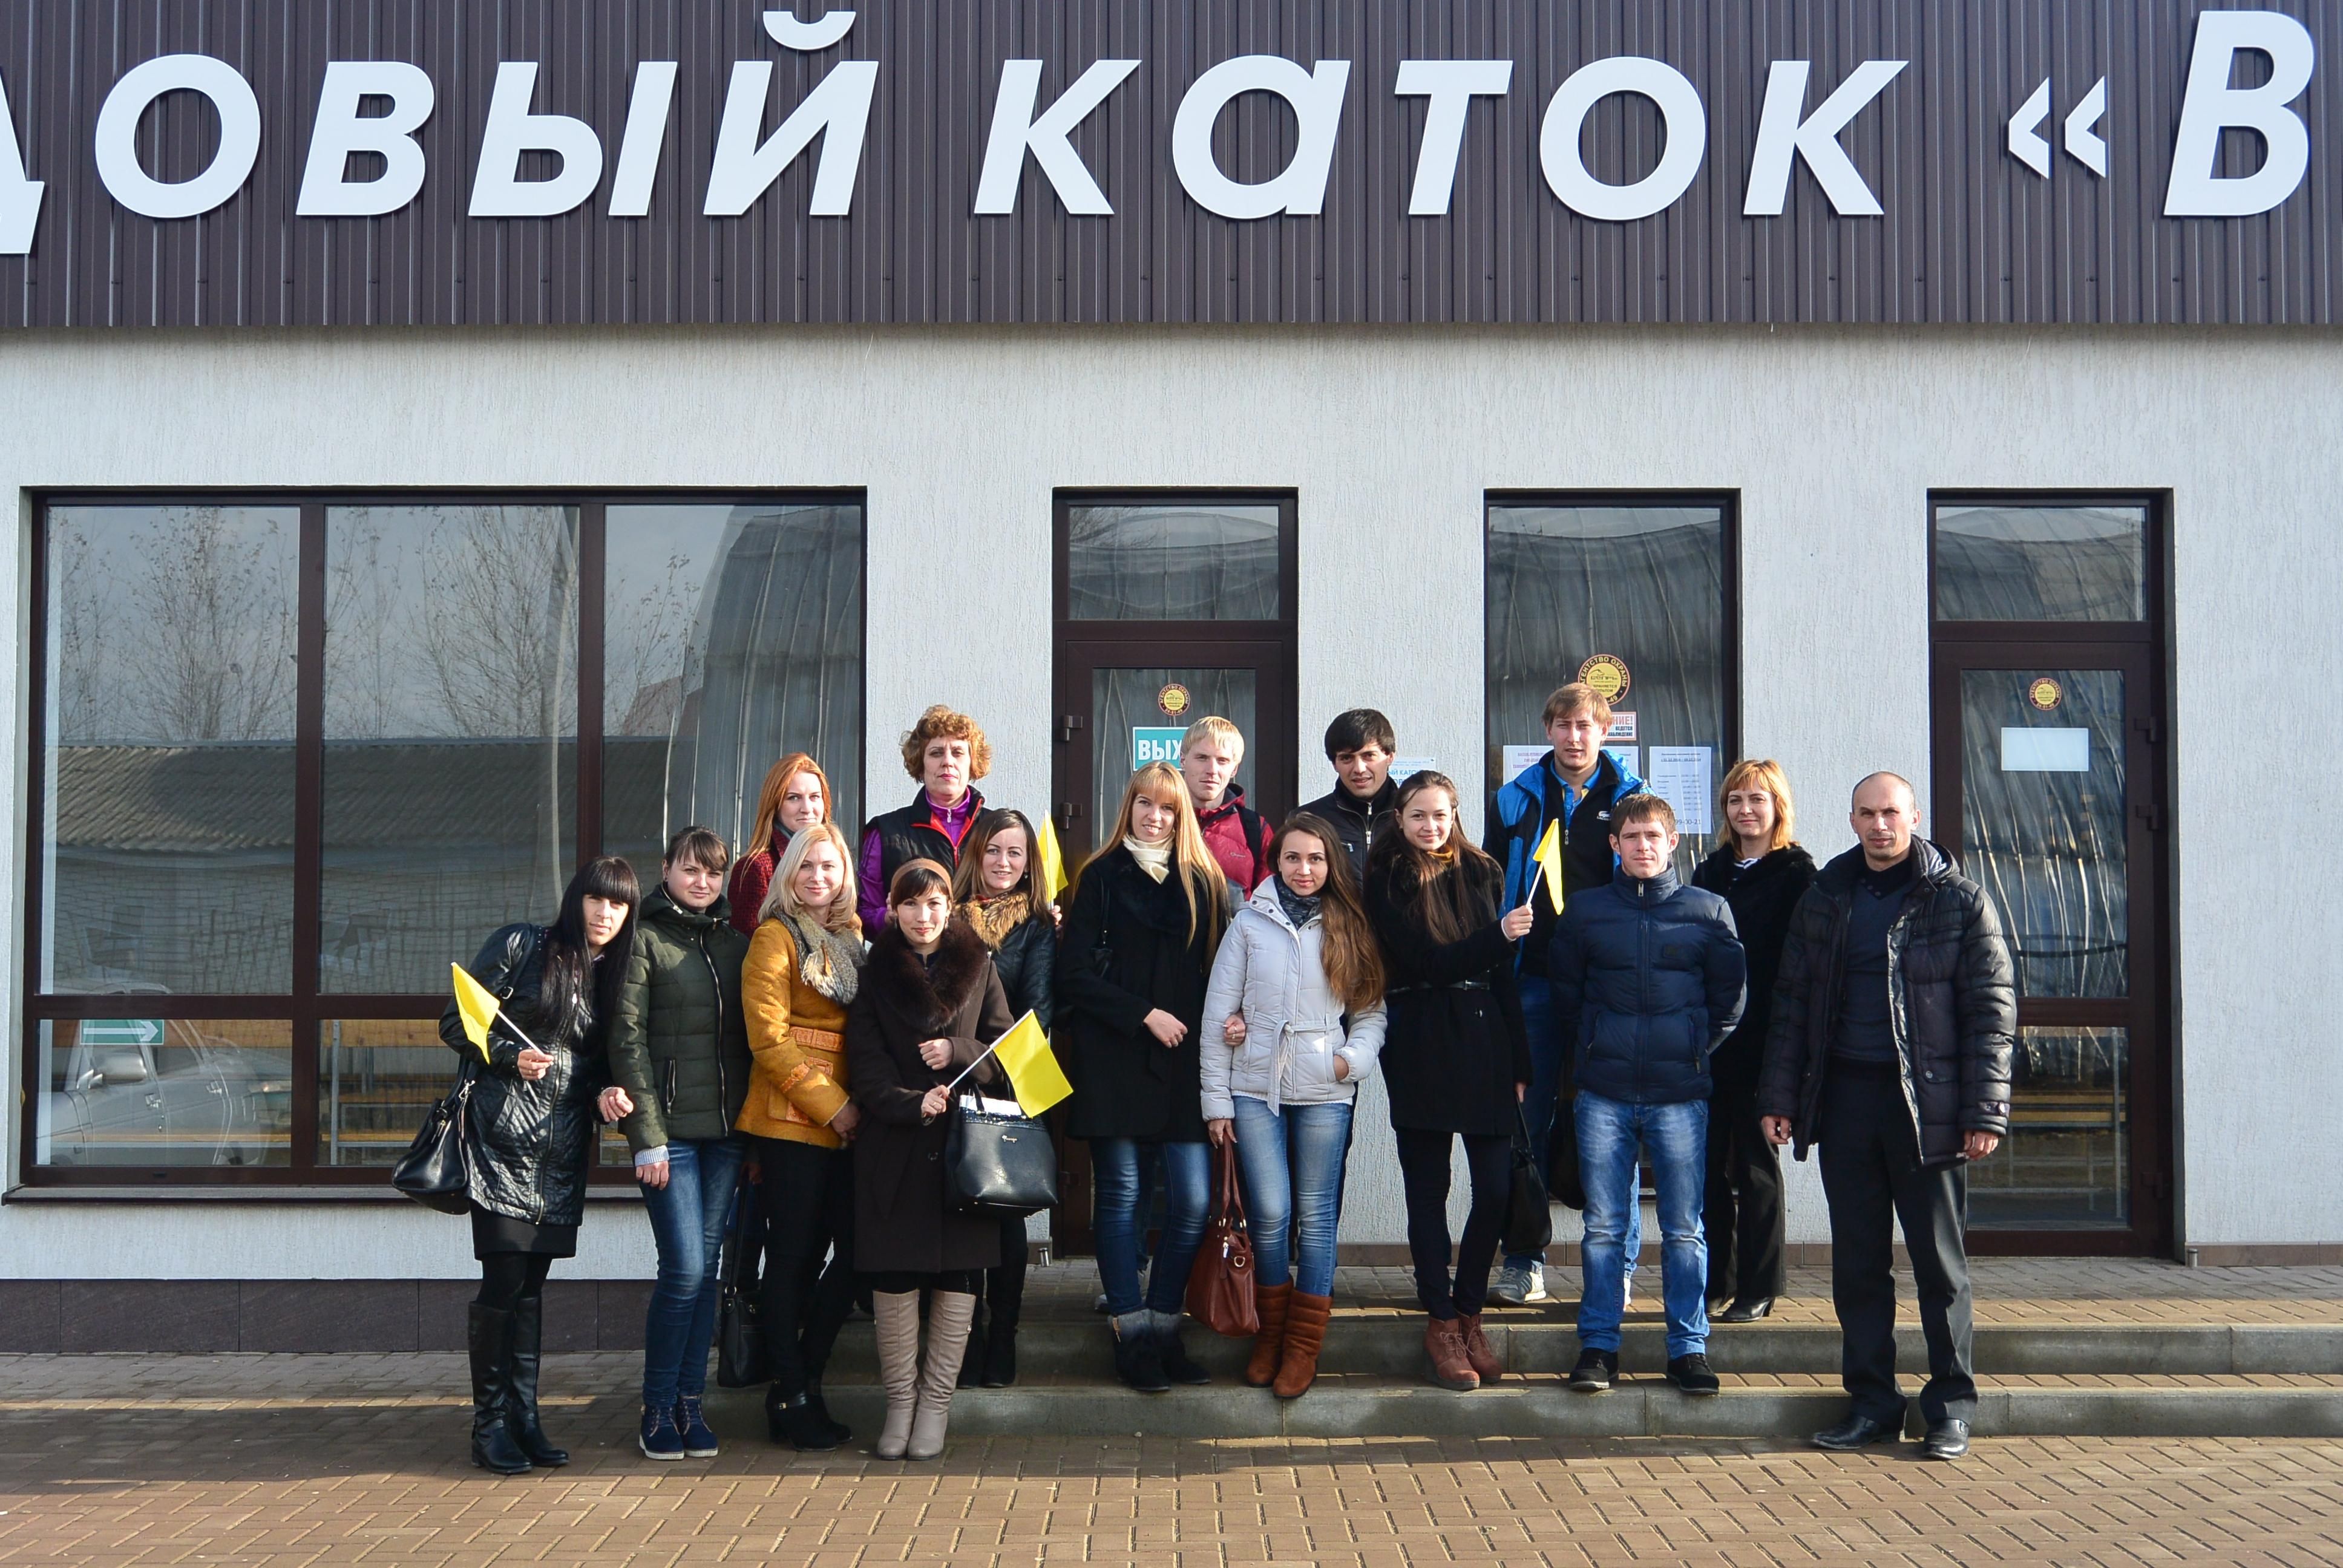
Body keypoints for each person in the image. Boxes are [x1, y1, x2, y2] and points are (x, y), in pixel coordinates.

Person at [1759, 773, 2015, 1462]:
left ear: (1914, 816)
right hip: (1846, 1103)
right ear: (1851, 820)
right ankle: (1872, 1404)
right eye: (1867, 814)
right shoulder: (1825, 897)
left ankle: (1950, 1409)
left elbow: (1991, 1012)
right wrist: (1779, 1099)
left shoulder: (1957, 899)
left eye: (1891, 813)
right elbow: (1791, 1003)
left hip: (1927, 1110)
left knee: (1939, 1266)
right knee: (1858, 1267)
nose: (1880, 825)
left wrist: (1984, 1112)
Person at [440, 856, 641, 1476]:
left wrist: (607, 1091)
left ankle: (524, 1418)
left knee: (531, 1288)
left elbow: (599, 1062)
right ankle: (489, 1426)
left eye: (618, 904)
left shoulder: (617, 974)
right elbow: (456, 1021)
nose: (604, 913)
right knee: (503, 1281)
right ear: (575, 899)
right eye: (595, 899)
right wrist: (508, 1055)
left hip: (561, 1151)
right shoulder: (522, 945)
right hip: (501, 1141)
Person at [1551, 794, 1746, 1397]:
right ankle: (1598, 1347)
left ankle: (1688, 1350)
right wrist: (1592, 1048)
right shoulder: (1585, 912)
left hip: (1678, 1094)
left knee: (1684, 1229)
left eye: (1653, 836)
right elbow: (1565, 994)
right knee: (1604, 1227)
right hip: (1603, 1093)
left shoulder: (1708, 911)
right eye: (1631, 837)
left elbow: (1730, 1001)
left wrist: (1691, 1049)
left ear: (1672, 842)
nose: (1642, 847)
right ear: (1615, 845)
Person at [1057, 761, 1230, 1394]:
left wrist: (1235, 1018)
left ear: (1182, 815)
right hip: (1115, 1059)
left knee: (1192, 1201)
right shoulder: (1100, 876)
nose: (1154, 817)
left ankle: (1163, 1325)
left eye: (1167, 808)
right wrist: (1142, 1015)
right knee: (1122, 1193)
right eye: (1144, 805)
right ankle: (1131, 1333)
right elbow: (1073, 975)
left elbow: (1223, 971)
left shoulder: (1205, 882)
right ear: (1127, 808)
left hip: (1184, 1066)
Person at [1201, 812, 1386, 1399]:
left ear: (1331, 864)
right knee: (1271, 1212)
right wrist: (1216, 1101)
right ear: (1275, 861)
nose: (1303, 870)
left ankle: (1303, 1348)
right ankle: (1271, 1336)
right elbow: (1217, 1014)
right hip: (1255, 1089)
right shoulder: (1248, 922)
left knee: (1317, 1216)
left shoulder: (1350, 922)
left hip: (1325, 1092)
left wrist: (1349, 1063)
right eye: (1292, 858)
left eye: (1315, 859)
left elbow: (1371, 1012)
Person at [1365, 770, 1535, 1393]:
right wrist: (1499, 936)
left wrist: (1521, 1061)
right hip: (1421, 1037)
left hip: (1486, 1038)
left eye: (1441, 815)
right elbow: (1426, 963)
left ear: (1455, 815)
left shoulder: (1482, 870)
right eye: (1418, 816)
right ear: (1399, 818)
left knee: (1493, 1189)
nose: (1430, 827)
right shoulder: (1386, 876)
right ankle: (1439, 1320)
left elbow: (1503, 975)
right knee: (1428, 1189)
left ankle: (1469, 1313)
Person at [847, 860, 1015, 1460]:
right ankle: (900, 1402)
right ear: (893, 910)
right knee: (893, 1275)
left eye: (935, 904)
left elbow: (1008, 1049)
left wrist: (958, 1050)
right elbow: (864, 1063)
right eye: (911, 904)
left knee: (958, 1274)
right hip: (893, 1148)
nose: (924, 916)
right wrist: (908, 1103)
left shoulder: (979, 965)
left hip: (963, 1152)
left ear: (950, 908)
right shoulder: (874, 972)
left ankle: (936, 1404)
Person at [1484, 681, 1646, 1305]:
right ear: (1547, 730)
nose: (1574, 737)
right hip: (1531, 981)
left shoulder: (1632, 797)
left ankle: (1614, 1268)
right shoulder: (1513, 798)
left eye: (1585, 726)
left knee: (1611, 1124)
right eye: (1563, 725)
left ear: (1604, 731)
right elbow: (1491, 885)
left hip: (1607, 988)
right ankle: (1523, 1261)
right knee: (1524, 1125)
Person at [608, 826, 754, 1462]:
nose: (702, 882)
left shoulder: (735, 943)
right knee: (685, 1270)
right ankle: (657, 1405)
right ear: (665, 869)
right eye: (691, 869)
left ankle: (691, 1404)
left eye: (713, 872)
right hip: (670, 1138)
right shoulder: (643, 938)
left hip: (726, 1137)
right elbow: (626, 1038)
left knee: (708, 1273)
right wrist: (646, 1137)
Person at [737, 822, 867, 1451]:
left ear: (844, 876)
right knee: (791, 1258)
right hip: (791, 1120)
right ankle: (790, 1393)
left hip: (852, 1124)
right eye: (807, 866)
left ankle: (804, 1379)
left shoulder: (852, 940)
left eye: (829, 867)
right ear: (789, 872)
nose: (818, 877)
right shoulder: (774, 936)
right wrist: (833, 1106)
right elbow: (768, 1040)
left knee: (855, 1254)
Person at [1691, 760, 1815, 1323]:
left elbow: (1802, 968)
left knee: (1757, 1168)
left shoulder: (1798, 876)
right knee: (1708, 1169)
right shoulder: (1710, 871)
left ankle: (1760, 1287)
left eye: (1757, 800)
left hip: (1767, 1042)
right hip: (1710, 1043)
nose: (1746, 810)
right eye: (1736, 800)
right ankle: (1716, 1280)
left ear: (1777, 808)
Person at [949, 809, 1058, 1389]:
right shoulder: (946, 916)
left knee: (1007, 1213)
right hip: (954, 1080)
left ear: (1028, 861)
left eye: (1015, 852)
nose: (1003, 862)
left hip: (1013, 1081)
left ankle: (1004, 1336)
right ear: (975, 854)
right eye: (993, 850)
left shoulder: (1037, 926)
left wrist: (991, 1066)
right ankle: (964, 1338)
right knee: (962, 1210)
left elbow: (1039, 1010)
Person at [859, 706, 989, 932]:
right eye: (936, 753)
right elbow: (862, 913)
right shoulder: (886, 832)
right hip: (911, 953)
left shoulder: (996, 829)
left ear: (973, 763)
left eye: (958, 752)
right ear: (920, 764)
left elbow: (1025, 901)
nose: (947, 762)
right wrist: (886, 918)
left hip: (986, 954)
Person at [728, 753, 834, 936]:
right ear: (775, 804)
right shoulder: (757, 868)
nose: (807, 808)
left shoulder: (836, 860)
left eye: (815, 797)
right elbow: (747, 944)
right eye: (794, 798)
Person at [1297, 708, 1401, 874]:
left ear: (1390, 757)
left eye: (1369, 756)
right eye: (1347, 758)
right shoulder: (1307, 819)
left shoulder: (1415, 817)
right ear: (1335, 764)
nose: (1359, 769)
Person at [1179, 714, 1274, 896]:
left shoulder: (1255, 829)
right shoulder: (1160, 820)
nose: (1212, 770)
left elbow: (1268, 903)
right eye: (1202, 758)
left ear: (1235, 769)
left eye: (1222, 761)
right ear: (1183, 760)